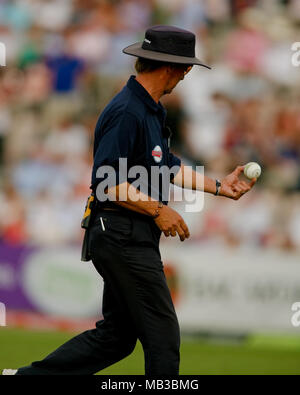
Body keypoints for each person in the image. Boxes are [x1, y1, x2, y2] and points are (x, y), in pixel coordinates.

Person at [4, 25, 256, 376]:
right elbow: (107, 181)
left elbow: (165, 166)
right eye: (185, 68)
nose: (185, 76)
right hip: (121, 234)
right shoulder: (127, 111)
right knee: (163, 338)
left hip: (128, 234)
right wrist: (158, 209)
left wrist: (218, 186)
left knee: (117, 337)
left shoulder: (151, 110)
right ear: (168, 67)